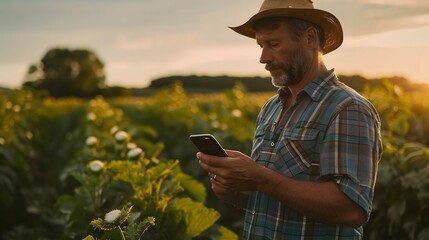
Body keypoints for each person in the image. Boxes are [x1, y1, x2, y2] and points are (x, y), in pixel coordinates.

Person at [196, 0, 383, 239]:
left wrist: (259, 178)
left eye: (273, 44)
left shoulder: (348, 108)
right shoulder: (271, 108)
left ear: (310, 39)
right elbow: (273, 200)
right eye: (261, 45)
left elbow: (351, 209)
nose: (263, 58)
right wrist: (233, 190)